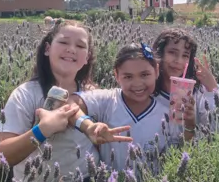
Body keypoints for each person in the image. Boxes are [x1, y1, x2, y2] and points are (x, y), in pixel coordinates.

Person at [0, 19, 130, 182]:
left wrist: (97, 132)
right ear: (47, 49)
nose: (71, 49)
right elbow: (0, 158)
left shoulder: (93, 94)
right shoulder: (25, 94)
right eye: (64, 42)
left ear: (87, 57)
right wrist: (42, 130)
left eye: (80, 46)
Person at [69, 43, 175, 174]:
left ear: (157, 71)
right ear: (116, 75)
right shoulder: (107, 100)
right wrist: (87, 126)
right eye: (128, 77)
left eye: (145, 75)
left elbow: (177, 151)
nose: (137, 83)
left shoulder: (166, 113)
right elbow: (70, 104)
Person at [151, 28, 219, 142]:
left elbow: (218, 132)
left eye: (185, 55)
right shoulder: (148, 91)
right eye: (172, 52)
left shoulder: (196, 93)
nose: (178, 60)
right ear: (160, 53)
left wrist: (212, 89)